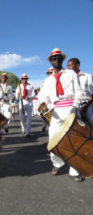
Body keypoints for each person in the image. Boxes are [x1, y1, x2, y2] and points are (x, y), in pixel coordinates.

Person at [39, 48, 84, 182]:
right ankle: (58, 163)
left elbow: (78, 91)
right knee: (53, 139)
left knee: (74, 139)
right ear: (50, 61)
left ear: (63, 60)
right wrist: (43, 104)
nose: (56, 60)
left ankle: (74, 170)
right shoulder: (48, 80)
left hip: (72, 107)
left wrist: (75, 107)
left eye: (59, 58)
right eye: (54, 58)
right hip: (57, 110)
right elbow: (45, 97)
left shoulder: (70, 73)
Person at [67, 58, 93, 124]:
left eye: (70, 65)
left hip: (86, 106)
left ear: (77, 66)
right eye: (67, 66)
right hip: (73, 107)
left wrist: (85, 108)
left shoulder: (87, 77)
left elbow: (92, 94)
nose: (68, 68)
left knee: (89, 126)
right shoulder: (67, 79)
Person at [39, 67, 54, 132]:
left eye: (51, 73)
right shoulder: (44, 83)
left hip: (55, 104)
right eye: (48, 73)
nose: (49, 74)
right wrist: (43, 105)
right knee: (45, 117)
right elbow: (41, 95)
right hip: (47, 104)